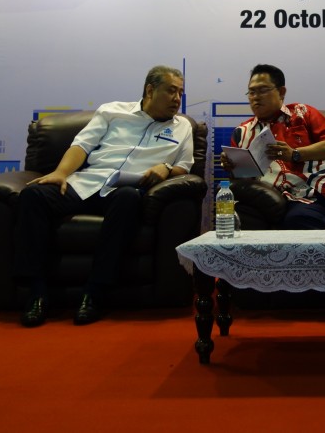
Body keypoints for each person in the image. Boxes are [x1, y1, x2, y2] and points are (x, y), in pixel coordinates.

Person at [13, 65, 194, 328]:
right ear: (150, 90)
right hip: (87, 181)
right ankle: (36, 293)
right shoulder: (112, 111)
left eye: (180, 92)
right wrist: (61, 173)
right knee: (33, 195)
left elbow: (185, 166)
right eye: (171, 91)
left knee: (129, 198)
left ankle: (94, 292)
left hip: (125, 190)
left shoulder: (182, 128)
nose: (177, 98)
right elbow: (82, 145)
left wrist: (165, 168)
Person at [221, 63, 325, 324]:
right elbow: (245, 178)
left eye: (262, 90)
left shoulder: (303, 113)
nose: (255, 97)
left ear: (281, 92)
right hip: (295, 193)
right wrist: (232, 168)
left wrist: (296, 154)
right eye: (250, 92)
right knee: (298, 225)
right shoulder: (242, 133)